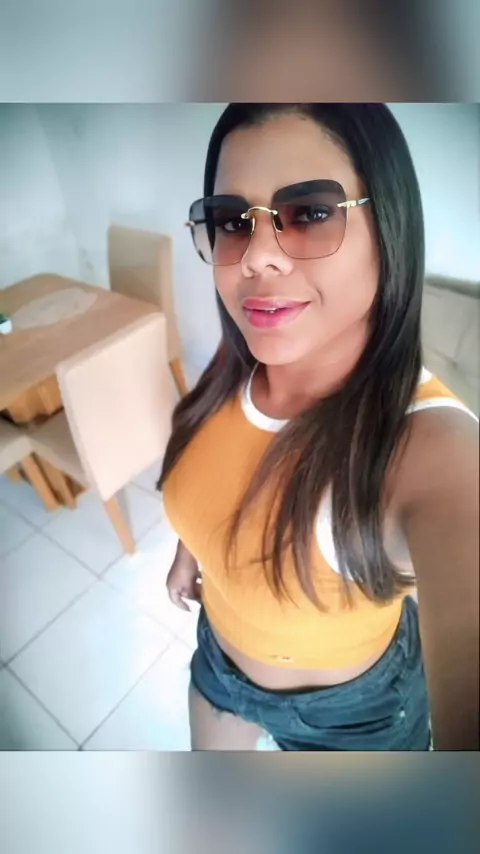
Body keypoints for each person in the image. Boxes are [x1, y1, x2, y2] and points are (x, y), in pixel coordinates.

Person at [158, 103, 479, 751]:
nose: (256, 258)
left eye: (309, 212)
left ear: (389, 226)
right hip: (218, 661)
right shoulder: (237, 364)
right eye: (232, 222)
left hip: (353, 715)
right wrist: (191, 552)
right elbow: (216, 476)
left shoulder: (429, 451)